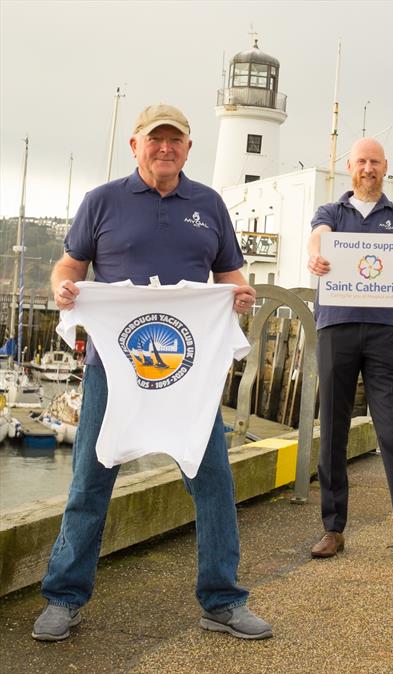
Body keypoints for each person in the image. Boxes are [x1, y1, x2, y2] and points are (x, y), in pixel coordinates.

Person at [32, 104, 271, 641]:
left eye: (176, 140)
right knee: (90, 484)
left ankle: (223, 600)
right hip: (111, 372)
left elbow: (230, 274)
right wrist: (63, 288)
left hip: (189, 378)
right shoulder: (102, 201)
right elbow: (69, 266)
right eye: (156, 139)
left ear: (189, 148)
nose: (166, 148)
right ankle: (63, 597)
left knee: (212, 482)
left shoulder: (209, 204)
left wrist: (241, 294)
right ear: (136, 144)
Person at [306, 138, 393, 564]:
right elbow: (317, 239)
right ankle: (333, 528)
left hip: (385, 330)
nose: (368, 168)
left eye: (375, 162)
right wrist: (315, 257)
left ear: (386, 168)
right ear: (350, 166)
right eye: (362, 161)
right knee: (332, 430)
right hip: (337, 327)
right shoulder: (331, 211)